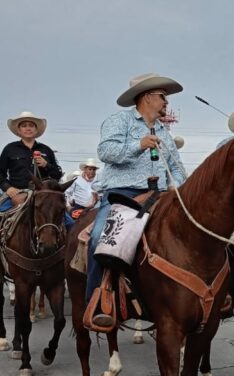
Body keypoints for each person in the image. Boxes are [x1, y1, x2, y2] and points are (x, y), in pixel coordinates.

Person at [89, 73, 188, 328]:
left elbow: (177, 167)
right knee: (100, 236)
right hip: (124, 194)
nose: (167, 102)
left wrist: (181, 188)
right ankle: (98, 301)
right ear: (147, 97)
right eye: (163, 97)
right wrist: (139, 144)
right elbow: (105, 152)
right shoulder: (118, 121)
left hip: (162, 195)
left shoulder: (164, 132)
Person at [0, 111, 65, 268]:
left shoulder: (46, 150)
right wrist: (8, 188)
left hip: (42, 195)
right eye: (24, 125)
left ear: (37, 129)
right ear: (19, 130)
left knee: (69, 221)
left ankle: (68, 257)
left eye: (31, 125)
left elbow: (57, 174)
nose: (28, 128)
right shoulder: (10, 149)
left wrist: (46, 165)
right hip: (16, 193)